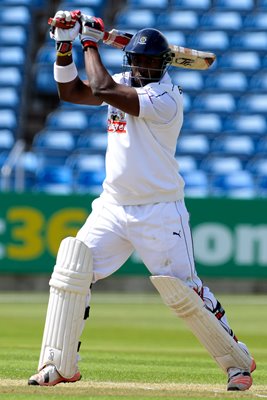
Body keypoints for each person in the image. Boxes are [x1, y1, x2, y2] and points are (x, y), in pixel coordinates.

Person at [28, 10, 256, 390]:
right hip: (112, 206)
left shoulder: (165, 98)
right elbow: (71, 92)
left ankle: (237, 362)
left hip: (160, 210)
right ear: (129, 60)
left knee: (185, 292)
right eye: (138, 61)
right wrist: (64, 47)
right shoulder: (121, 80)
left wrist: (88, 41)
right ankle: (59, 363)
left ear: (164, 65)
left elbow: (101, 89)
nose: (143, 68)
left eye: (151, 62)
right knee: (71, 269)